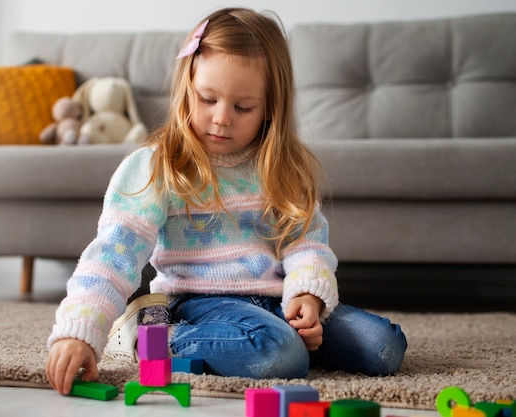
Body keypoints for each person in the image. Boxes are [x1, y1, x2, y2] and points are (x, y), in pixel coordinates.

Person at [46, 7, 407, 395]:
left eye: (242, 107)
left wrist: (307, 295)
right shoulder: (157, 166)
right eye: (207, 99)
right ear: (188, 86)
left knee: (383, 347)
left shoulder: (282, 166)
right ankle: (147, 337)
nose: (221, 118)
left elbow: (306, 242)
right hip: (199, 304)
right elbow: (113, 253)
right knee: (281, 354)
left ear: (270, 106)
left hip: (275, 301)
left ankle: (270, 345)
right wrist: (80, 329)